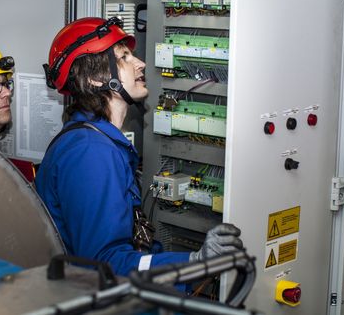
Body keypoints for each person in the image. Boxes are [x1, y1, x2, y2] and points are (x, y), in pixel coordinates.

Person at [35, 17, 243, 277]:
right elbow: (104, 263)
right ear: (95, 79)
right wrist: (194, 262)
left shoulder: (96, 141)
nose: (140, 63)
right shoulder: (90, 152)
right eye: (124, 57)